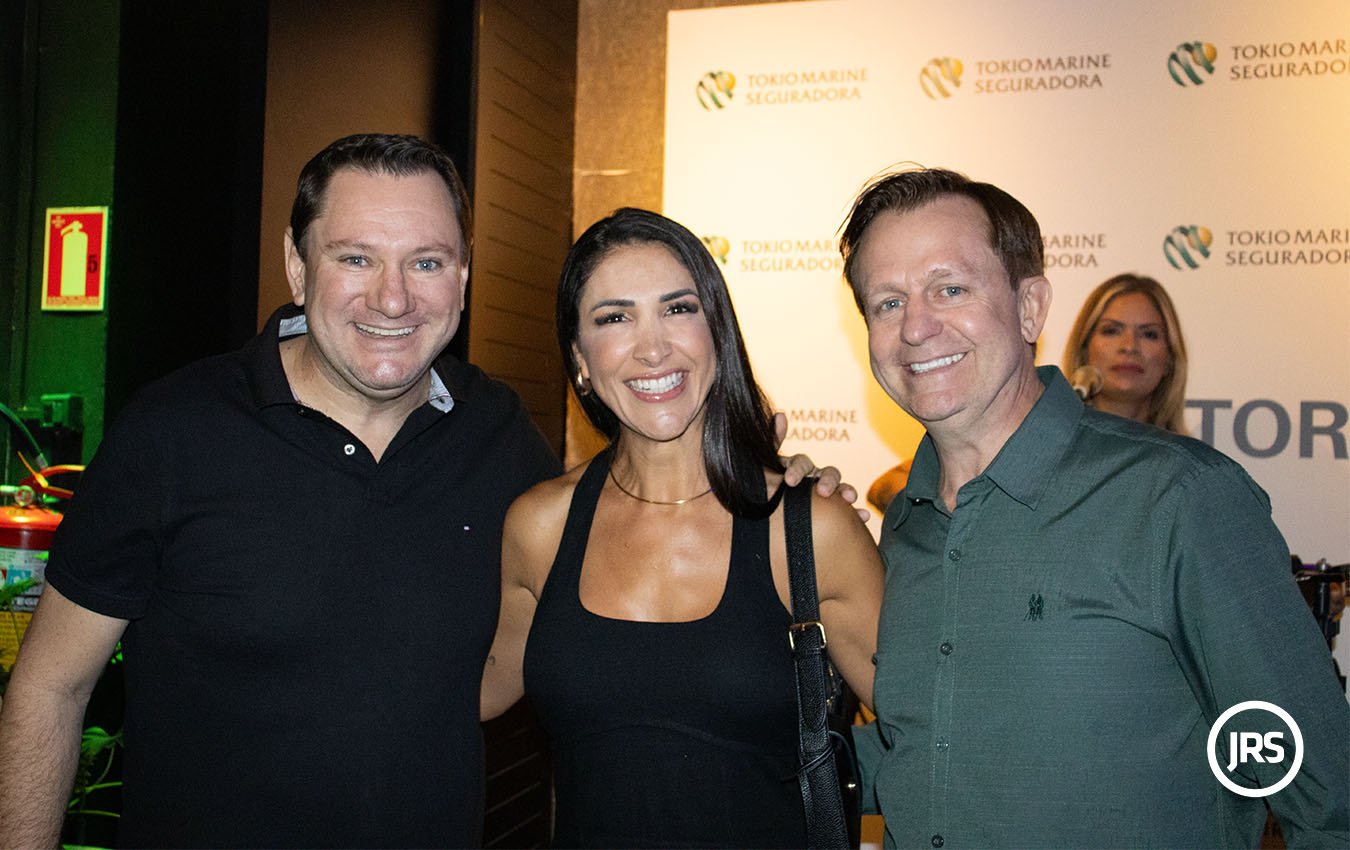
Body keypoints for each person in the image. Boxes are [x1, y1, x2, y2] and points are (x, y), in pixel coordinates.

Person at [0, 134, 847, 849]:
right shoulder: (174, 432)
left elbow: (619, 556)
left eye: (427, 262)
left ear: (464, 276)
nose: (393, 297)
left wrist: (781, 489)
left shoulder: (501, 438)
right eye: (355, 258)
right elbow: (48, 689)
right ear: (296, 265)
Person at [836, 166, 1349, 848]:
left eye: (950, 289)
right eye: (888, 303)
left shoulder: (1178, 498)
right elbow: (927, 752)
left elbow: (1325, 794)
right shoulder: (907, 525)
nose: (916, 328)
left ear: (1030, 307)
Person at [480, 208, 884, 848]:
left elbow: (929, 736)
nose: (653, 347)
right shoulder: (540, 526)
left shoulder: (809, 528)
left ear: (718, 333)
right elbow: (467, 691)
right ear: (580, 358)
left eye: (678, 309)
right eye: (614, 318)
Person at [1062, 273, 1190, 434]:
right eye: (1111, 331)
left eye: (1149, 334)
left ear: (1170, 359)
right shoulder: (1047, 443)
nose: (1129, 346)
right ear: (1084, 349)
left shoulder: (1186, 451)